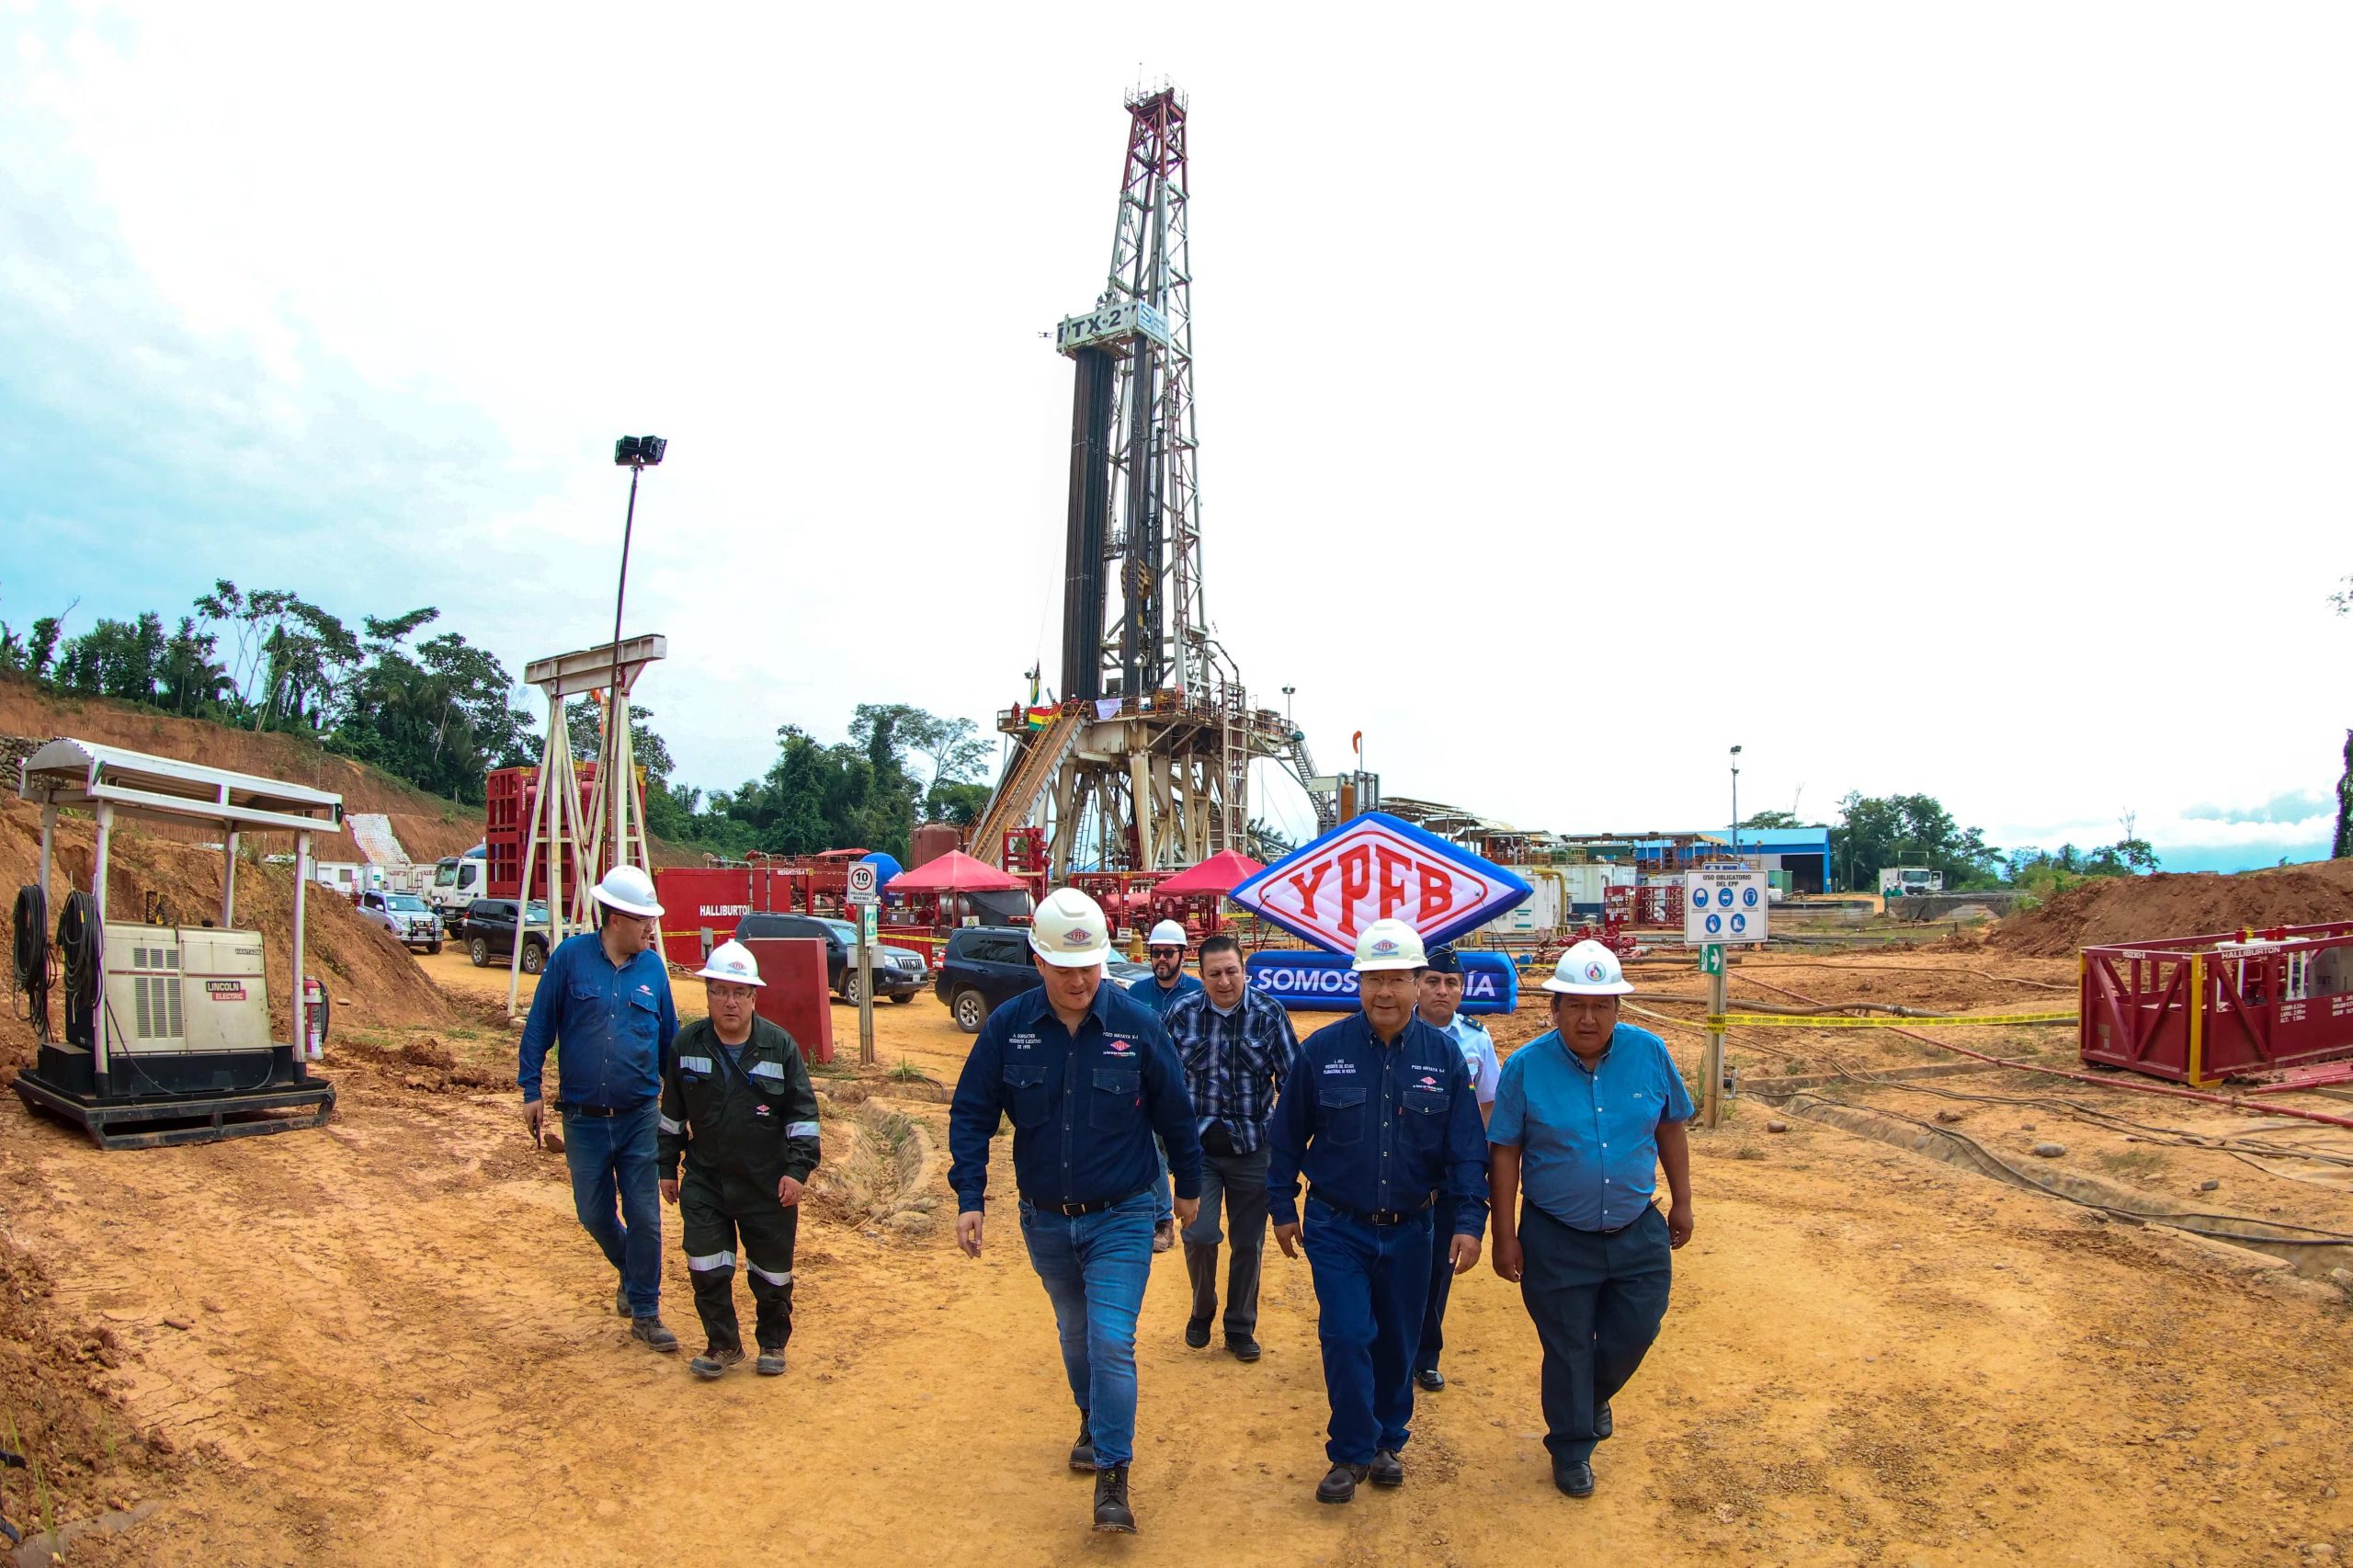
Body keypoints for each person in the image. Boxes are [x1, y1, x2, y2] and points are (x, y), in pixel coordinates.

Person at [949, 888, 1205, 1536]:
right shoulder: (1010, 1028)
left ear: (1104, 960)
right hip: (1044, 1218)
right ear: (1038, 960)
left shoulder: (1137, 1026)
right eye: (1064, 967)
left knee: (1110, 1339)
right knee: (1073, 1331)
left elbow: (1175, 1109)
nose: (1078, 980)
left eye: (1089, 966)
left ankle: (1114, 1476)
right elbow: (972, 1112)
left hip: (1122, 1210)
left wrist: (1188, 1185)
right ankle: (1093, 1420)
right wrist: (970, 1196)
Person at [1267, 918, 1488, 1506]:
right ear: (1357, 984)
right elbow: (1285, 1135)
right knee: (1345, 1334)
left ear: (1419, 983)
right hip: (1337, 1224)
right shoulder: (1321, 1052)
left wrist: (1469, 1220)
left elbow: (1467, 1147)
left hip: (1416, 1227)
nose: (1383, 993)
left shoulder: (1444, 1058)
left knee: (1398, 1341)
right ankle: (1350, 1451)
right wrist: (1281, 1203)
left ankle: (1390, 1441)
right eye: (1372, 980)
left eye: (1396, 979)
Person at [1488, 939, 1695, 1499]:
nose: (1588, 1017)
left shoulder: (1649, 1053)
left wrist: (1683, 1200)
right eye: (1575, 1004)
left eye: (1601, 1005)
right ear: (1554, 1009)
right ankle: (1573, 1446)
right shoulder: (1525, 1068)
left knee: (1636, 1331)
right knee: (1567, 1346)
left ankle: (1592, 1394)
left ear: (1617, 1010)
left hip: (1636, 1228)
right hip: (1556, 1237)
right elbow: (1504, 1151)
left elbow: (1670, 1126)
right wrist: (1503, 1236)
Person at [517, 864, 682, 1354]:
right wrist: (531, 1090)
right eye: (643, 920)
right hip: (584, 1119)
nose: (651, 928)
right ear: (616, 919)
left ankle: (646, 1312)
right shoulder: (570, 960)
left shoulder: (654, 969)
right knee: (592, 1213)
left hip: (639, 1118)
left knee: (646, 1217)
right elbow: (539, 1025)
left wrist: (680, 1111)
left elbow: (669, 1042)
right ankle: (632, 1273)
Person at [656, 940, 821, 1381]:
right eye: (720, 991)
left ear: (754, 997)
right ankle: (723, 1344)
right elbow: (672, 1113)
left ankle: (772, 1343)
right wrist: (666, 1168)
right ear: (707, 993)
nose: (729, 1002)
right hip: (706, 1180)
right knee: (707, 1266)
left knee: (771, 1273)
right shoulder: (686, 1044)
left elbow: (803, 1117)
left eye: (739, 992)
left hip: (767, 1184)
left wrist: (797, 1171)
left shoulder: (779, 1047)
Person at [1164, 932, 1298, 1362]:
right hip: (1197, 1152)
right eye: (1215, 974)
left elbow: (1292, 1081)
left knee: (1248, 1243)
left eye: (1232, 971)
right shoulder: (1180, 1014)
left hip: (1254, 1149)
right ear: (1200, 976)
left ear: (1245, 969)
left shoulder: (1268, 1014)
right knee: (1200, 1234)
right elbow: (1162, 1082)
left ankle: (1240, 1326)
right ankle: (1202, 1309)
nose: (1225, 982)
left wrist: (1276, 1132)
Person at [1411, 943, 1501, 1392]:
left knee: (1438, 1267)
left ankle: (1425, 1354)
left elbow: (1487, 1105)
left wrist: (1469, 1158)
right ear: (1416, 986)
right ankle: (1380, 1343)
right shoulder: (1397, 1032)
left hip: (1451, 1173)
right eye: (1432, 981)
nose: (1441, 991)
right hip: (1406, 1167)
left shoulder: (1476, 1038)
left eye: (1451, 983)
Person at [1134, 918, 1204, 1253]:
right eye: (1155, 953)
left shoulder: (1198, 994)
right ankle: (1163, 1220)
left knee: (1183, 1153)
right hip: (1146, 1093)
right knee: (1151, 1152)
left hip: (1189, 1093)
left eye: (1167, 953)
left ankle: (1195, 1214)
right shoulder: (1136, 994)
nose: (1161, 959)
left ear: (1182, 954)